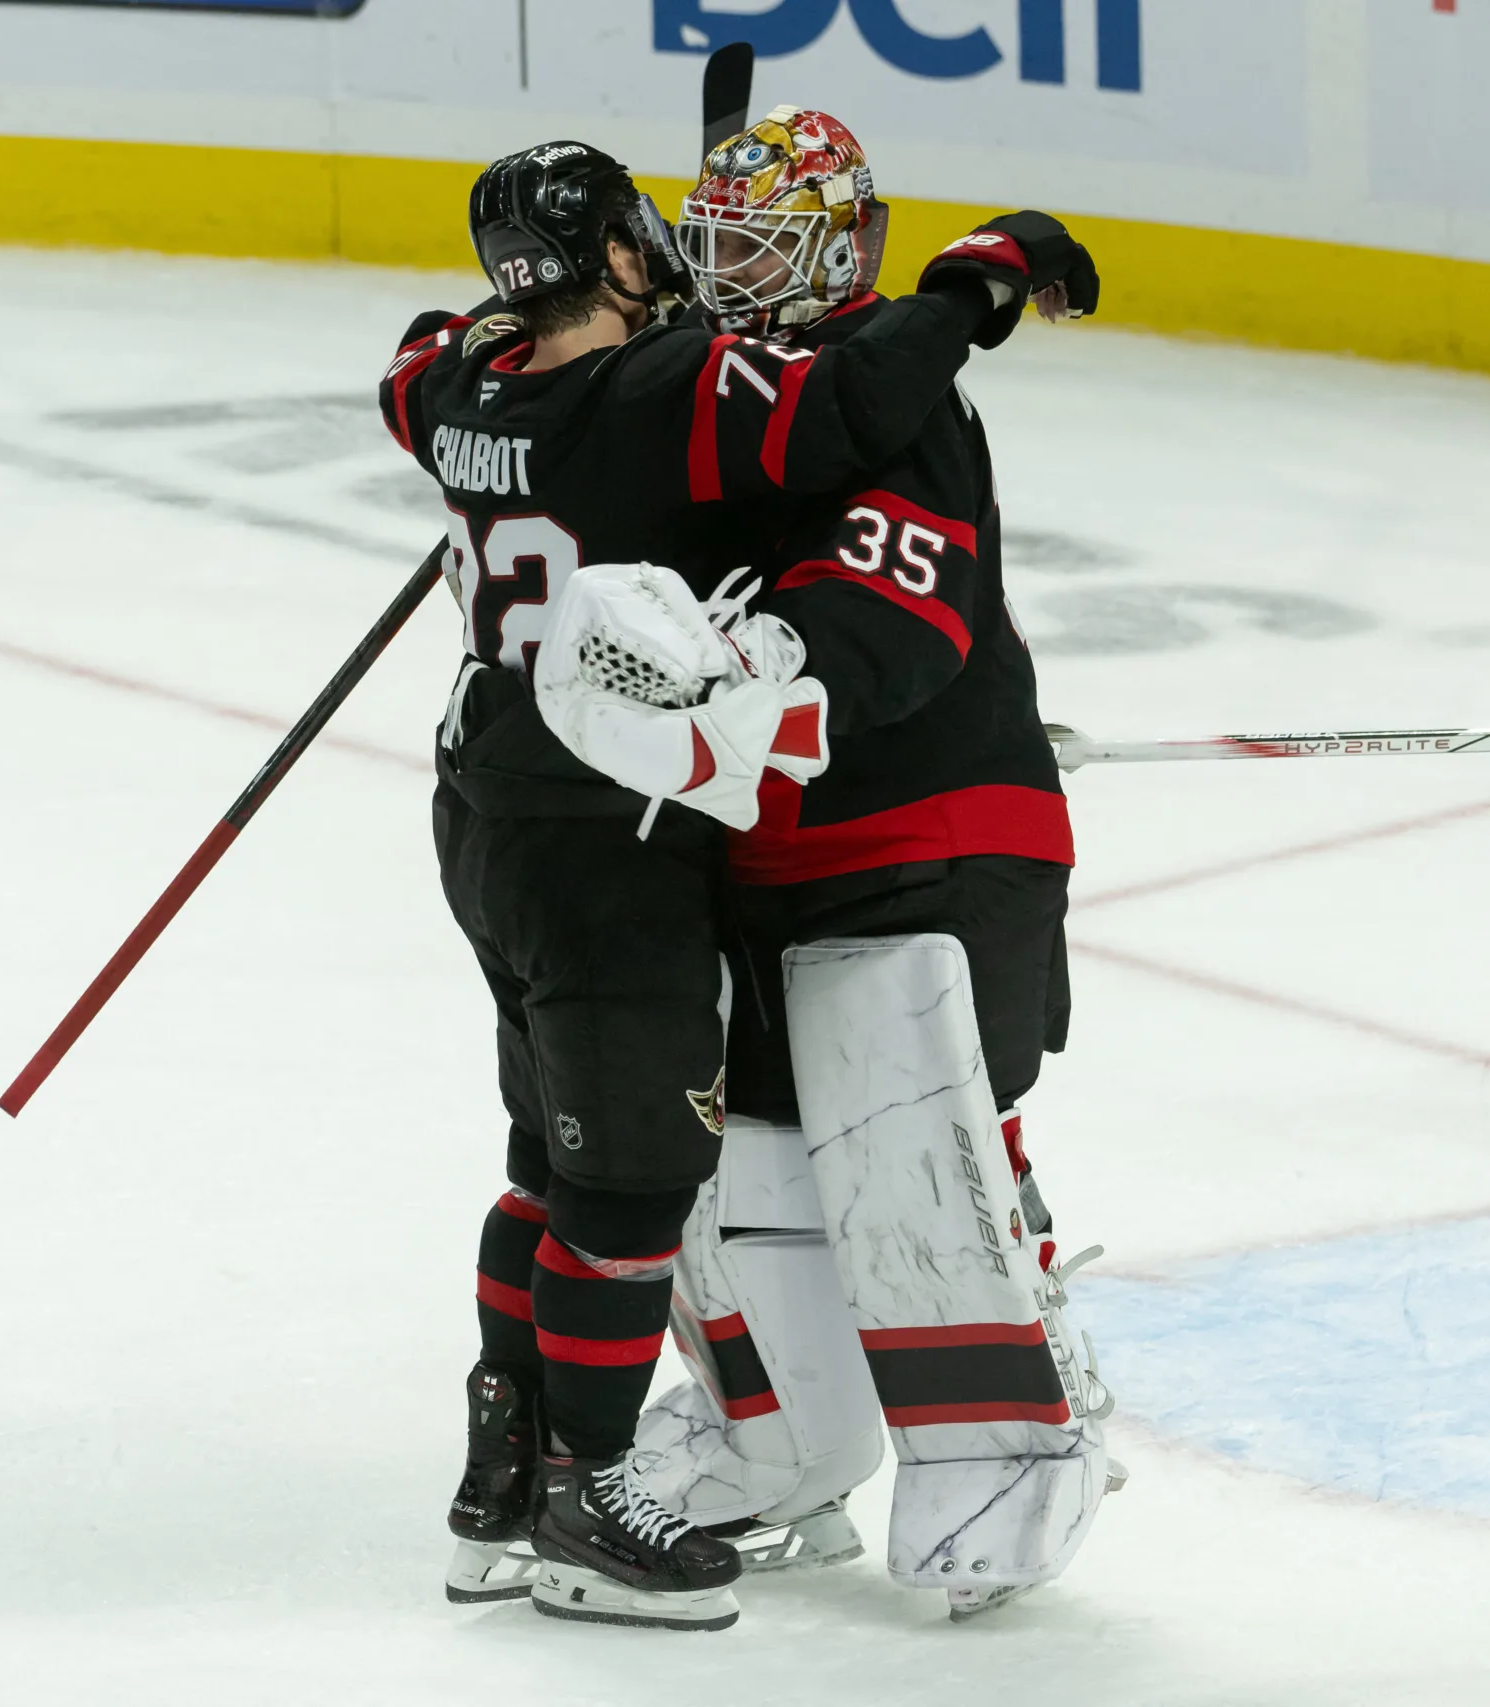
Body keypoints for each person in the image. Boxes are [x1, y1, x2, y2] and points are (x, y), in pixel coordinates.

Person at [377, 137, 1101, 1631]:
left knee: (899, 1154)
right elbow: (796, 412)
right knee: (711, 1177)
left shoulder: (535, 380)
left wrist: (780, 678)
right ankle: (753, 1442)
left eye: (768, 241)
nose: (734, 265)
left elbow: (896, 589)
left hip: (914, 843)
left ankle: (996, 1455)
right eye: (709, 236)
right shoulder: (691, 386)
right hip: (702, 853)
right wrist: (985, 276)